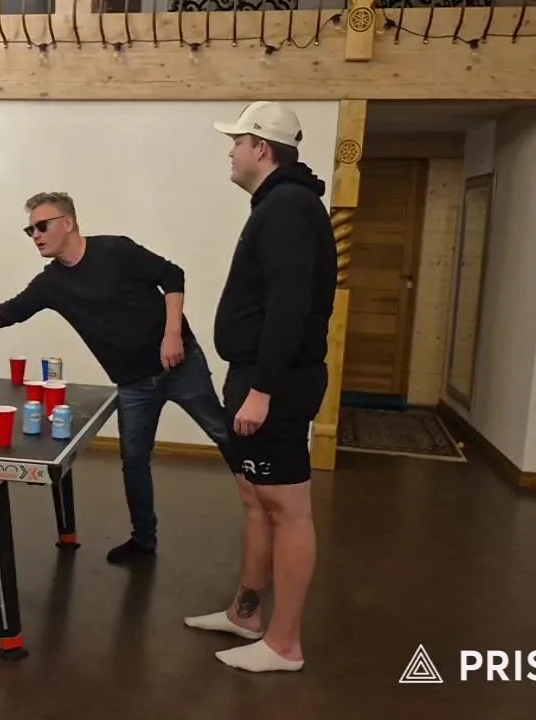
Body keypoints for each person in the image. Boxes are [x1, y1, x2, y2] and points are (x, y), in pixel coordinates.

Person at [0, 191, 236, 564]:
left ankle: (264, 507)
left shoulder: (116, 250)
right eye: (30, 230)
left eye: (42, 226)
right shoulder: (51, 284)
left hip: (180, 365)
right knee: (134, 461)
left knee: (223, 433)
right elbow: (3, 314)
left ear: (68, 223)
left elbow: (172, 275)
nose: (36, 235)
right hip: (133, 382)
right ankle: (144, 540)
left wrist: (173, 333)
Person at [182, 102, 337, 673]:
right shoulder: (278, 204)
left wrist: (264, 390)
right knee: (256, 498)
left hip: (277, 383)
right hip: (257, 375)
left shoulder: (289, 207)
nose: (231, 151)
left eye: (237, 142)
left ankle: (285, 644)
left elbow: (289, 305)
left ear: (261, 148)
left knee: (287, 510)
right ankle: (246, 614)